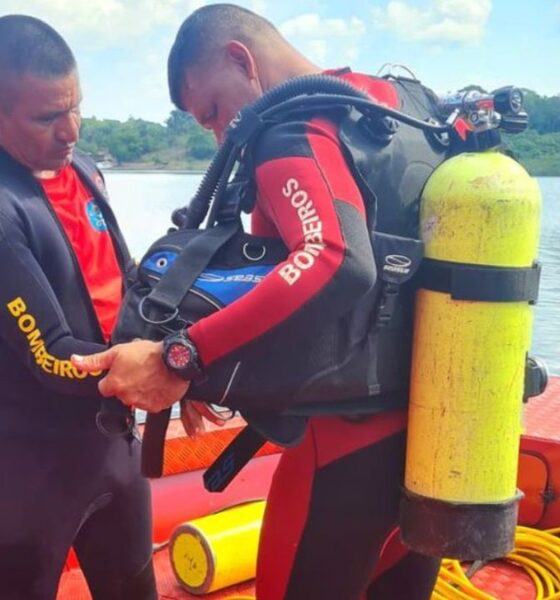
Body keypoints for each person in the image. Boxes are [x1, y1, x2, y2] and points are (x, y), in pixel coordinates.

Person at [73, 4, 442, 599]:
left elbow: (331, 259)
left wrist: (182, 358)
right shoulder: (397, 109)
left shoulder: (289, 131)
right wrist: (211, 377)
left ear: (241, 59)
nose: (223, 136)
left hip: (343, 452)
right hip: (434, 440)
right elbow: (283, 284)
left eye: (215, 112)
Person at [0, 15, 157, 600]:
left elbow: (133, 285)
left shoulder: (86, 172)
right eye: (46, 117)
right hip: (24, 474)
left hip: (115, 451)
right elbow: (51, 355)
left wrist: (184, 350)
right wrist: (165, 370)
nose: (71, 131)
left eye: (76, 107)